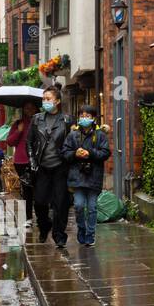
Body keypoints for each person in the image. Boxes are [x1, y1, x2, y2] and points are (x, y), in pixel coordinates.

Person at [28, 86, 72, 247]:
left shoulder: (67, 120)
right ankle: (45, 225)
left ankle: (59, 235)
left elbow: (72, 142)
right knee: (39, 202)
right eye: (43, 99)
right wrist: (33, 162)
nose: (45, 101)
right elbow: (30, 143)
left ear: (57, 101)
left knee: (61, 203)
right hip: (42, 167)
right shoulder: (36, 119)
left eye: (48, 99)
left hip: (60, 167)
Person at [63, 105, 111, 247]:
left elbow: (105, 153)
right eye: (82, 116)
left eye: (87, 116)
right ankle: (81, 229)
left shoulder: (100, 135)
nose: (84, 118)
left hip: (94, 176)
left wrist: (89, 153)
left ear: (94, 118)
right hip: (77, 177)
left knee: (92, 207)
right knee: (78, 205)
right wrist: (74, 154)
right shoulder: (73, 134)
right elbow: (65, 153)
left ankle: (90, 234)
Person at [7, 99, 37, 226]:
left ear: (36, 109)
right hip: (21, 161)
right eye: (26, 108)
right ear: (23, 109)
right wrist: (19, 131)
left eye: (32, 108)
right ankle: (28, 218)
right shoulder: (18, 123)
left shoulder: (40, 121)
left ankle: (41, 216)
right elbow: (10, 142)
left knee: (39, 189)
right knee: (27, 190)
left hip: (37, 160)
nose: (29, 110)